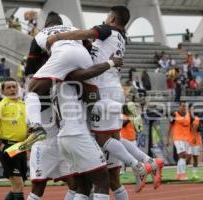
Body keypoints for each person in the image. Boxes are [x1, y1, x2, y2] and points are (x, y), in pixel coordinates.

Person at [47, 6, 162, 194]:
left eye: (108, 15)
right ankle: (148, 161)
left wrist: (58, 37)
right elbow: (96, 49)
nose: (105, 18)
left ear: (112, 18)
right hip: (114, 87)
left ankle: (135, 162)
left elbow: (85, 32)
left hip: (103, 89)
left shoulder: (108, 30)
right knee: (114, 138)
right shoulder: (120, 37)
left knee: (101, 138)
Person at [23, 11, 124, 200]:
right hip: (77, 133)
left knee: (32, 91)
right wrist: (110, 63)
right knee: (101, 181)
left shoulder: (42, 36)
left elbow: (31, 71)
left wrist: (48, 71)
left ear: (47, 25)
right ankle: (138, 162)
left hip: (61, 136)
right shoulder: (75, 31)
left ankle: (34, 125)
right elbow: (88, 54)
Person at [0, 78, 27, 200]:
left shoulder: (23, 104)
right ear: (3, 91)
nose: (12, 89)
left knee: (17, 186)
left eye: (14, 86)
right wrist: (0, 145)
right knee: (18, 183)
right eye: (9, 87)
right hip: (9, 147)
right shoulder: (1, 106)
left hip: (22, 146)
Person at [27, 107, 77, 200]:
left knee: (75, 185)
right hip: (43, 148)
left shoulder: (60, 97)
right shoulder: (34, 100)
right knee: (38, 188)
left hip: (61, 147)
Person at [167, 101, 191, 180]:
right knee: (182, 155)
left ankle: (178, 174)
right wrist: (168, 139)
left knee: (184, 157)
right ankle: (182, 174)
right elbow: (169, 127)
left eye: (186, 106)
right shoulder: (174, 115)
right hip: (178, 138)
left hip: (186, 139)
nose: (184, 108)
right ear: (179, 107)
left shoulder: (189, 115)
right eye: (183, 106)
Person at [187, 104, 201, 180]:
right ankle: (183, 172)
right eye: (191, 109)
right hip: (188, 141)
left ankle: (194, 173)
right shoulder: (186, 118)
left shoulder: (197, 119)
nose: (192, 110)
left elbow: (198, 130)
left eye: (193, 109)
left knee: (195, 157)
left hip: (196, 141)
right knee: (188, 157)